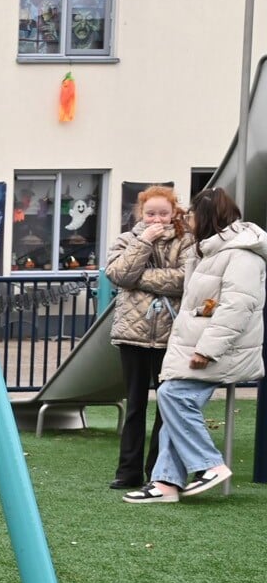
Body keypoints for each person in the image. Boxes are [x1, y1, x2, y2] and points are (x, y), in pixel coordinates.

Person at [122, 187, 264, 504]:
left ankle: (209, 464)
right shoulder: (209, 251)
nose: (188, 221)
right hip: (202, 344)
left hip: (224, 349)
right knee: (174, 398)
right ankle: (166, 483)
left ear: (208, 216)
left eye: (192, 215)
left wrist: (207, 349)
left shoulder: (239, 254)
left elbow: (237, 307)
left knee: (172, 394)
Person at [104, 185, 196, 489]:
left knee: (166, 407)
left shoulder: (185, 241)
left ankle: (158, 470)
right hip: (133, 334)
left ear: (174, 213)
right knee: (135, 406)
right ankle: (127, 470)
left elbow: (185, 279)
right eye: (150, 213)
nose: (157, 219)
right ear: (140, 214)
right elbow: (117, 274)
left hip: (171, 335)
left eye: (164, 213)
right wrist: (144, 242)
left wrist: (139, 280)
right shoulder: (128, 240)